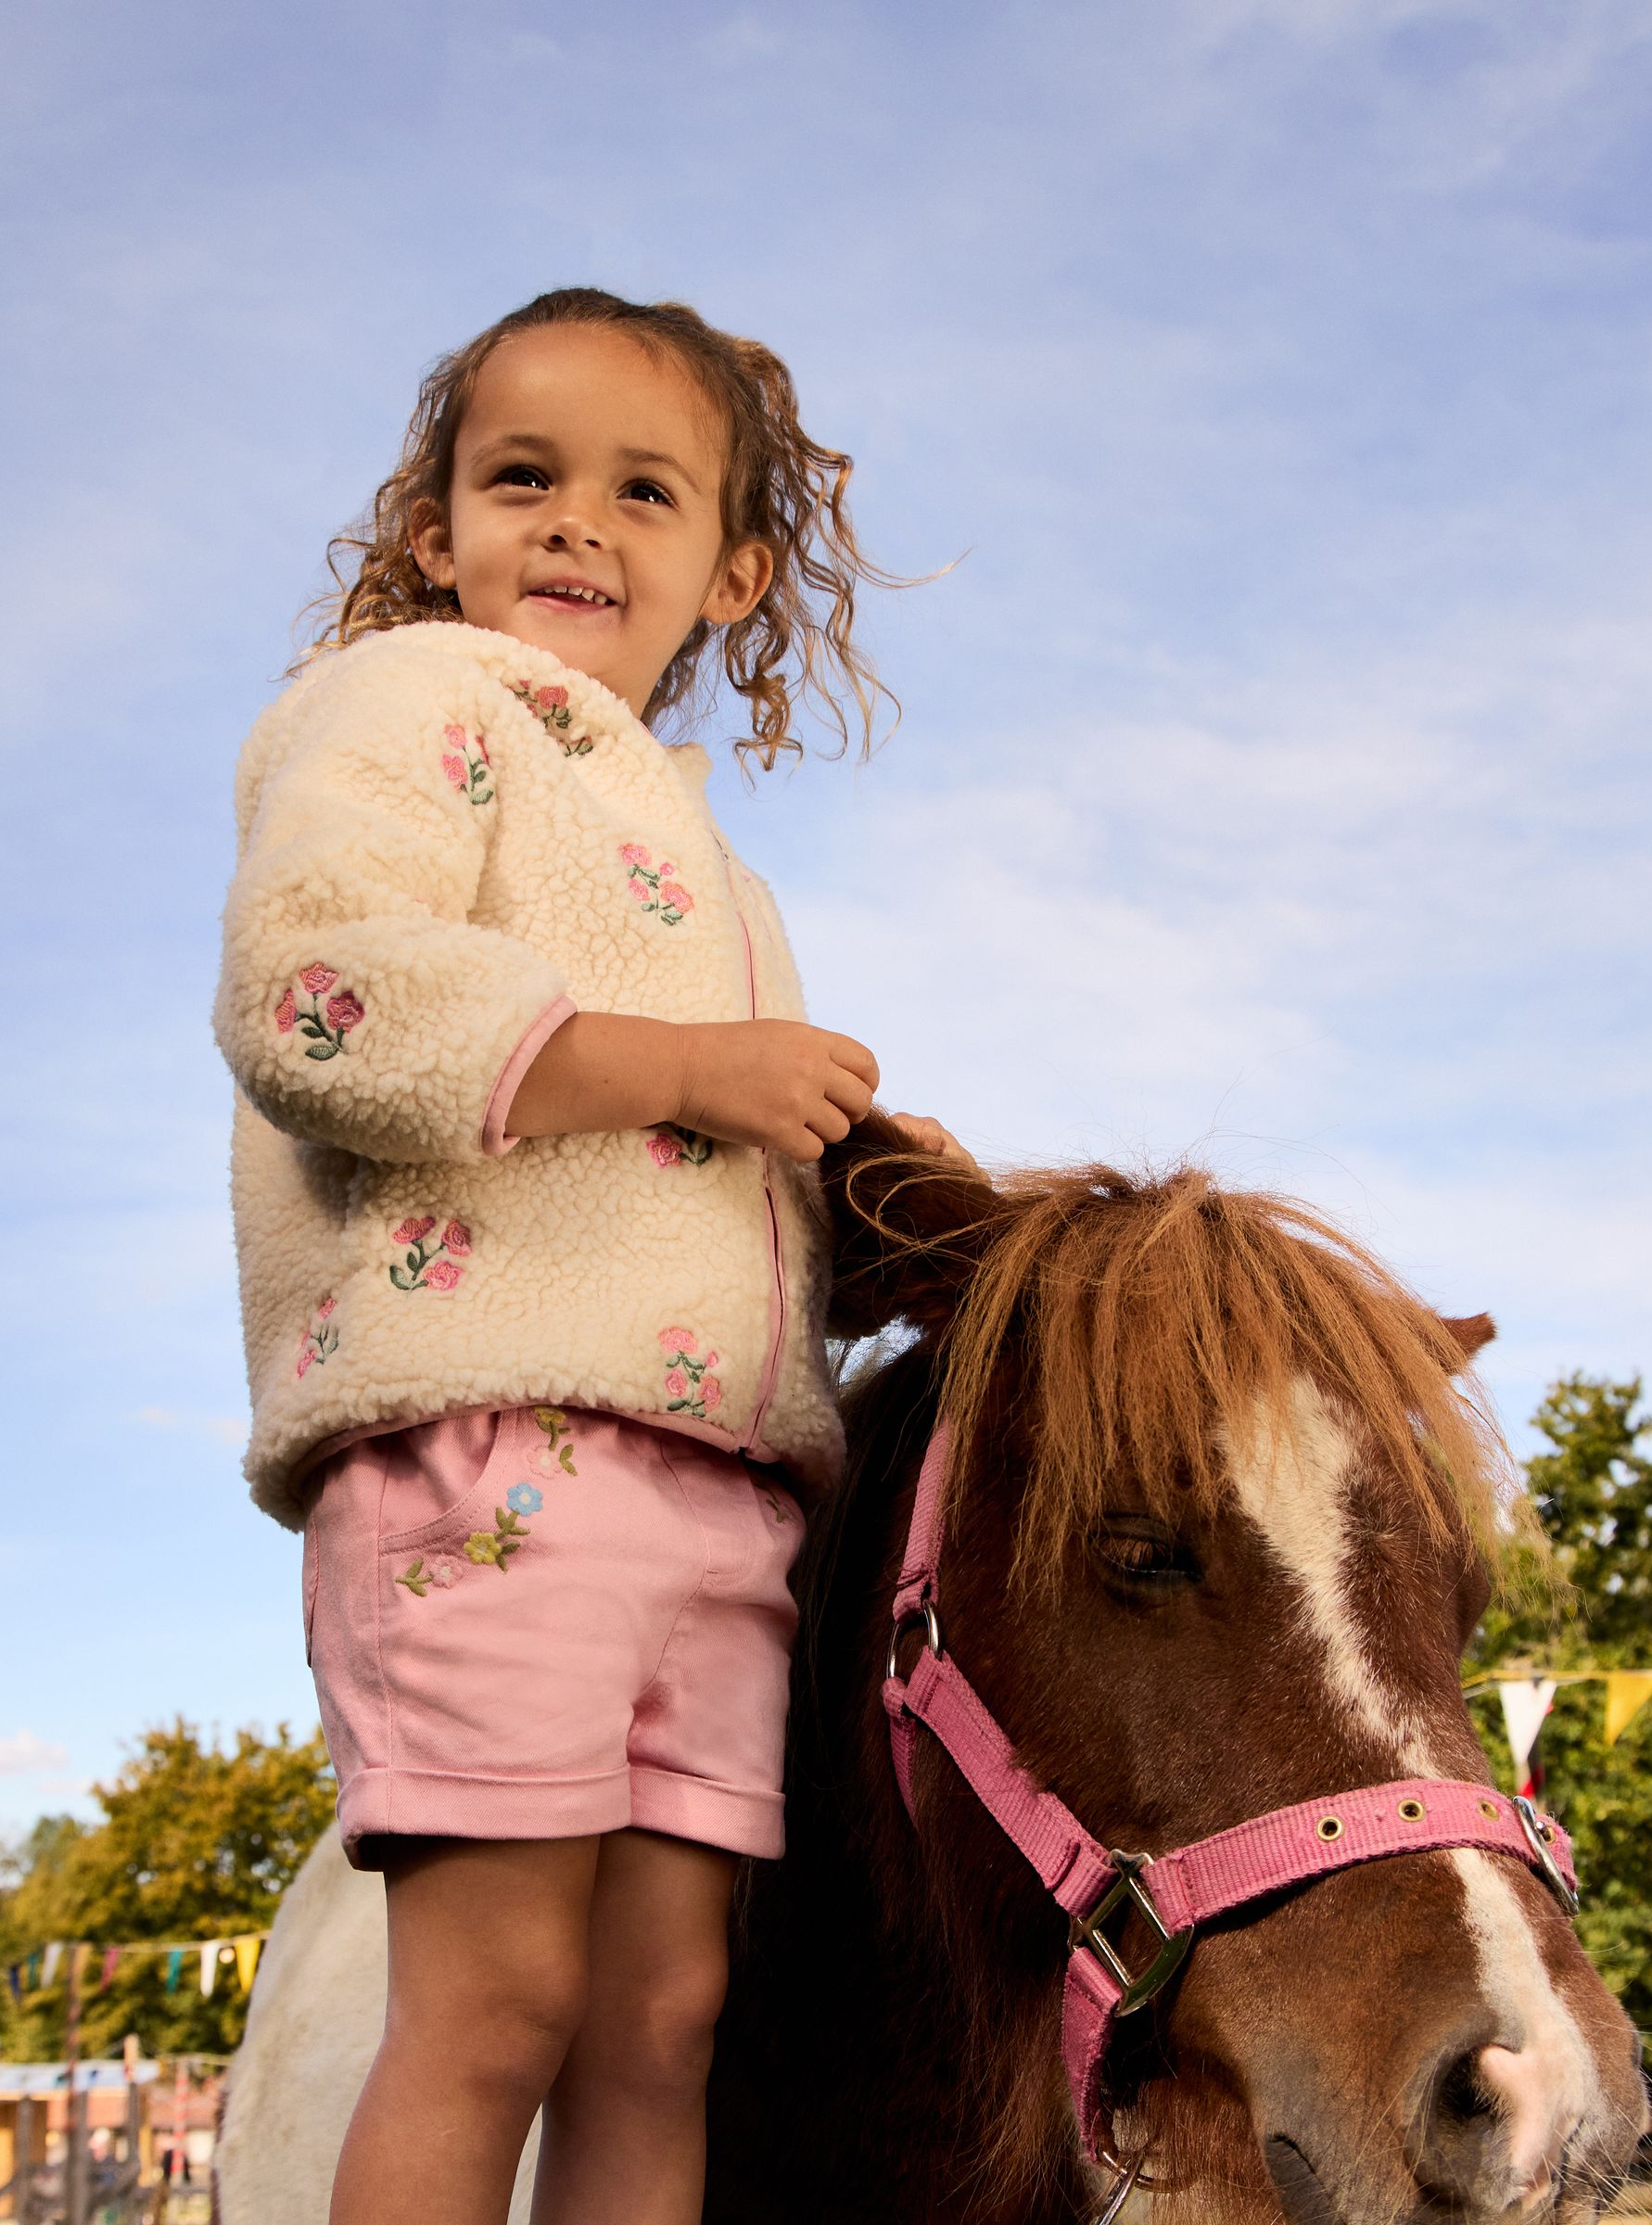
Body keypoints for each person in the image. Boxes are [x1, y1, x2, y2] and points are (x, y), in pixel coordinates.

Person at [213, 286, 972, 2225]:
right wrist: (697, 1068)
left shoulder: (721, 876)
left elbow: (707, 1176)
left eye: (643, 493)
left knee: (664, 2019)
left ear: (731, 573)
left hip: (719, 1509)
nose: (575, 524)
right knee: (497, 2004)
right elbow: (315, 992)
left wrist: (875, 1188)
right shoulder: (404, 712)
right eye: (523, 477)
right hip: (494, 1455)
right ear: (430, 532)